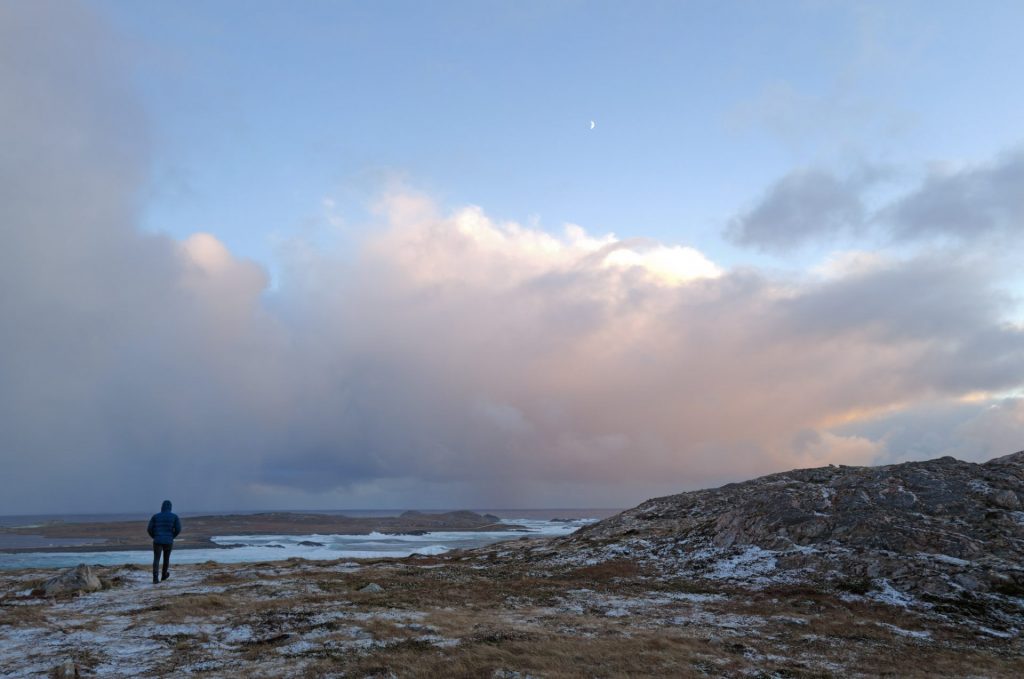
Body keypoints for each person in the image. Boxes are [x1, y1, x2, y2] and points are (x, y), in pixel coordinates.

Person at [147, 500, 181, 584]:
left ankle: (155, 578)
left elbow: (149, 529)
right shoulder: (174, 517)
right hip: (168, 541)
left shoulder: (155, 516)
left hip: (157, 540)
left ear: (162, 507)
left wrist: (154, 536)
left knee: (156, 559)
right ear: (170, 507)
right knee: (166, 559)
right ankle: (164, 575)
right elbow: (178, 529)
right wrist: (172, 536)